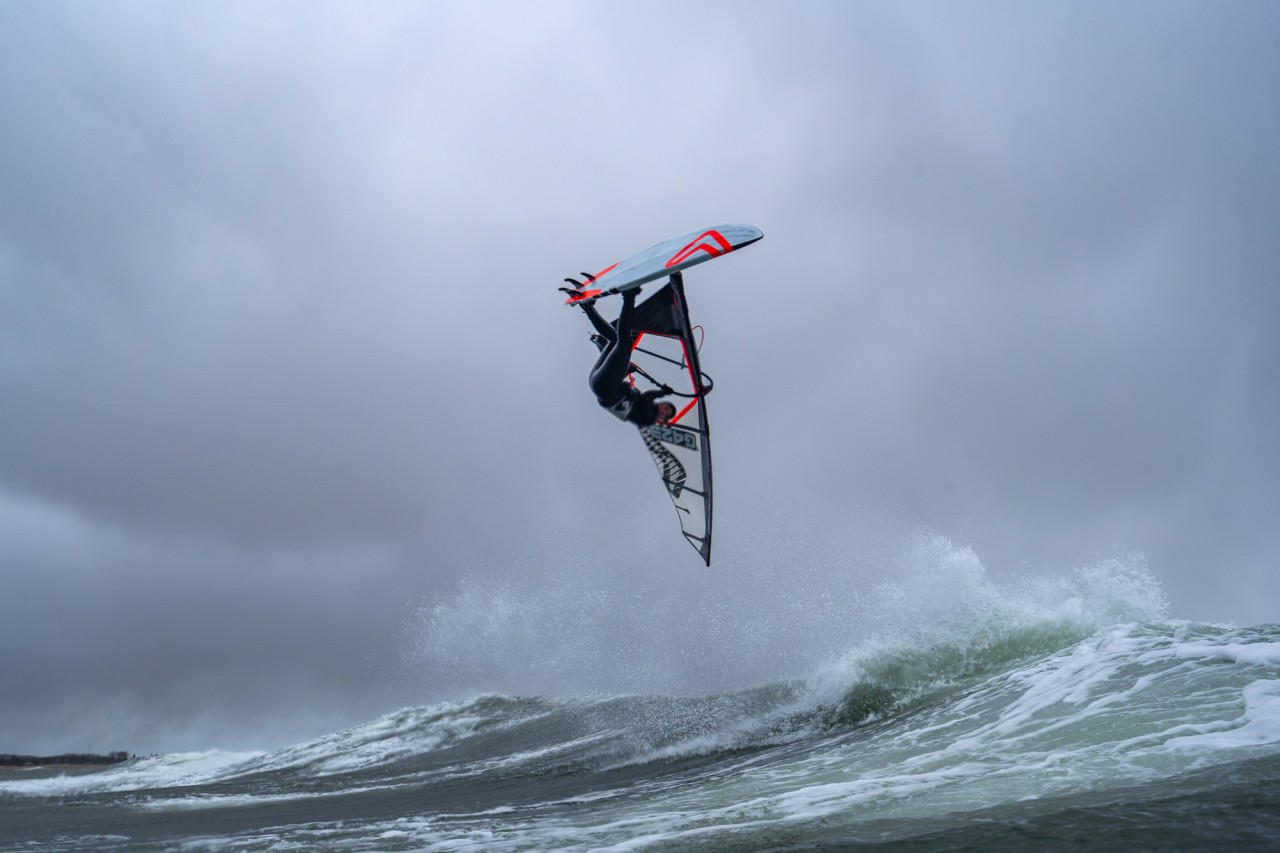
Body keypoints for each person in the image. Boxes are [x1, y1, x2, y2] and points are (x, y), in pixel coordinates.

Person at [575, 288, 677, 426]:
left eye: (666, 414)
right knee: (614, 338)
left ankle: (629, 295)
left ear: (663, 420)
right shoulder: (640, 405)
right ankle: (587, 306)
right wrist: (626, 371)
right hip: (599, 383)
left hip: (604, 389)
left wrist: (662, 392)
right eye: (666, 408)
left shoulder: (648, 419)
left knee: (624, 342)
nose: (663, 412)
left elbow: (646, 399)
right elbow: (637, 396)